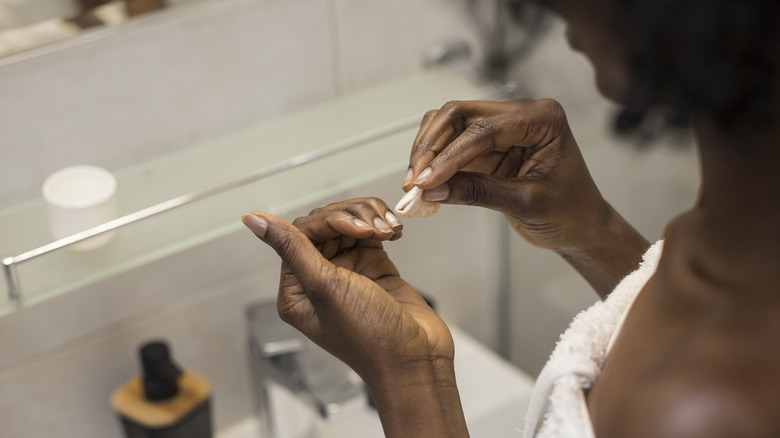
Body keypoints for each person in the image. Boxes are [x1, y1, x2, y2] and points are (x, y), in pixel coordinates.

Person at [241, 0, 780, 436]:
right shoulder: (741, 221)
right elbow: (677, 321)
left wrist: (410, 377)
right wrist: (592, 230)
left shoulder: (698, 412)